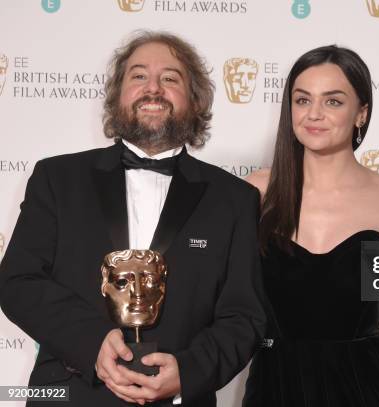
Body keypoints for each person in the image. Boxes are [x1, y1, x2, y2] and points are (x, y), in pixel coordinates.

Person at [0, 31, 266, 407]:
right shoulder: (57, 179)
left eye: (170, 78)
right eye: (138, 76)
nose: (153, 88)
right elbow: (18, 282)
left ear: (195, 99)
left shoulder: (234, 199)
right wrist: (90, 341)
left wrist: (188, 373)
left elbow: (245, 317)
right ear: (117, 95)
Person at [242, 45, 379, 407]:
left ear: (361, 113)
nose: (314, 114)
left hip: (366, 384)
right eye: (302, 100)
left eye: (333, 101)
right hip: (275, 382)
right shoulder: (256, 193)